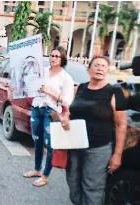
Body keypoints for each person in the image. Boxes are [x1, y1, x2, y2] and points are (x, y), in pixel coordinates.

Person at [64, 56, 127, 205]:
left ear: (107, 71)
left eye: (103, 66)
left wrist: (117, 155)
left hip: (99, 148)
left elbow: (121, 124)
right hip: (75, 144)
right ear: (88, 69)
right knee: (73, 181)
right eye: (96, 65)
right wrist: (65, 116)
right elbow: (69, 110)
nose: (99, 68)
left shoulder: (115, 92)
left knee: (92, 186)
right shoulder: (80, 88)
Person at [22, 46, 75, 187]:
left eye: (57, 56)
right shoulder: (43, 71)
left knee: (50, 145)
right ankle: (37, 169)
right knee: (37, 141)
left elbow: (68, 100)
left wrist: (49, 91)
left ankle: (45, 176)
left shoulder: (66, 78)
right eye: (52, 55)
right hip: (36, 108)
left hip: (51, 112)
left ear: (62, 58)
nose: (53, 58)